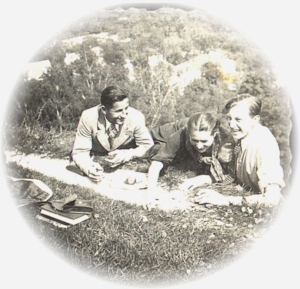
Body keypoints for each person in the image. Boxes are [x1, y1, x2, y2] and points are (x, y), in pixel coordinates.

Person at [194, 94, 285, 207]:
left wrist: (227, 200)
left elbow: (272, 199)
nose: (231, 125)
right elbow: (231, 176)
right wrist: (204, 178)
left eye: (238, 120)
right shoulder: (240, 136)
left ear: (255, 120)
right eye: (229, 118)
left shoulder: (264, 144)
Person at [71, 85, 154, 181]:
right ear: (104, 110)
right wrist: (88, 167)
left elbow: (147, 145)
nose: (124, 115)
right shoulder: (88, 117)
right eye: (118, 111)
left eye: (126, 108)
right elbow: (80, 151)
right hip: (95, 152)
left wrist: (126, 154)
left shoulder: (136, 116)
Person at [147, 112, 235, 192]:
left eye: (204, 141)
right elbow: (158, 162)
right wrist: (150, 192)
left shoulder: (226, 141)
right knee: (150, 148)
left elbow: (229, 175)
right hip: (166, 132)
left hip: (188, 131)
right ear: (189, 134)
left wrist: (202, 179)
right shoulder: (180, 134)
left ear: (214, 135)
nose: (199, 146)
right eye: (195, 140)